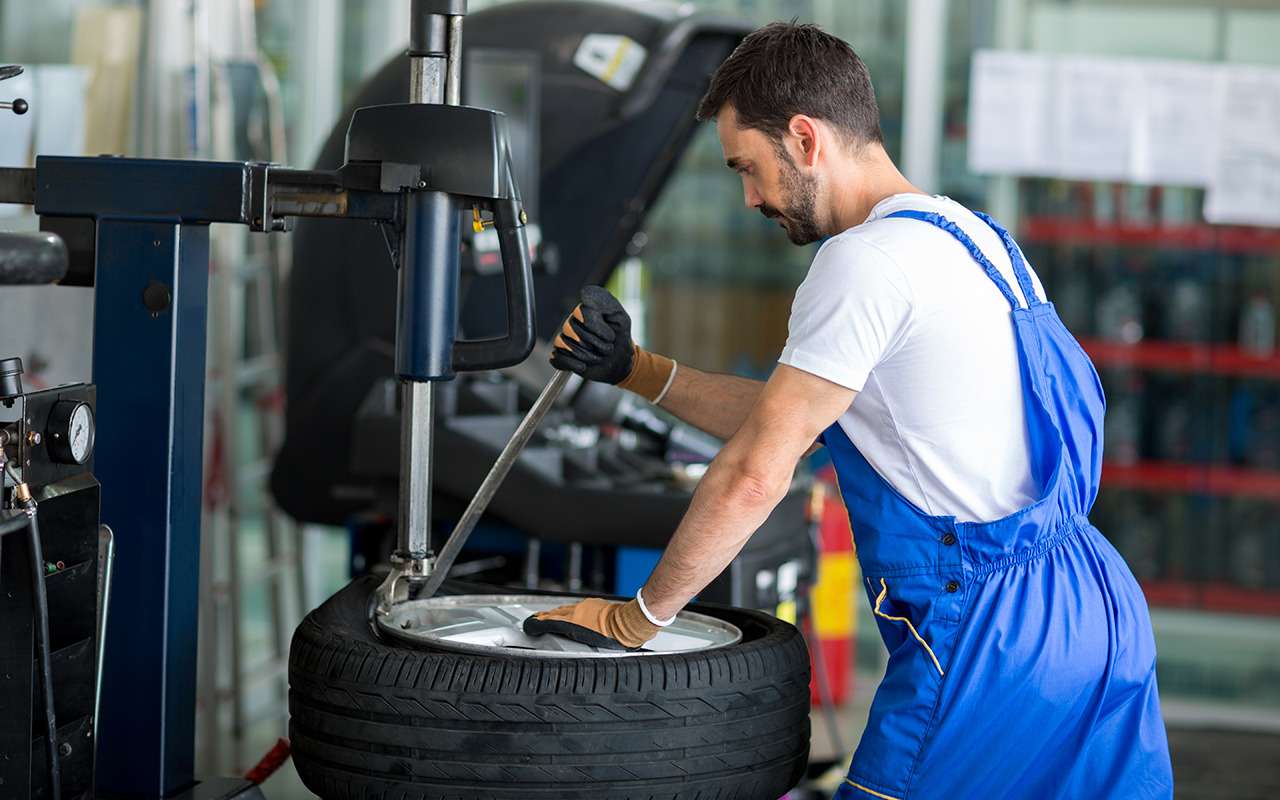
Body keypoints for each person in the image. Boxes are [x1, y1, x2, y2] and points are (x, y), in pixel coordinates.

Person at [521, 21, 1173, 799]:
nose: (751, 197)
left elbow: (758, 471)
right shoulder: (974, 237)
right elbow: (796, 419)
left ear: (804, 138)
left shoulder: (863, 262)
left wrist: (637, 619)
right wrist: (637, 369)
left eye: (748, 167)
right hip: (1094, 609)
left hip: (988, 639)